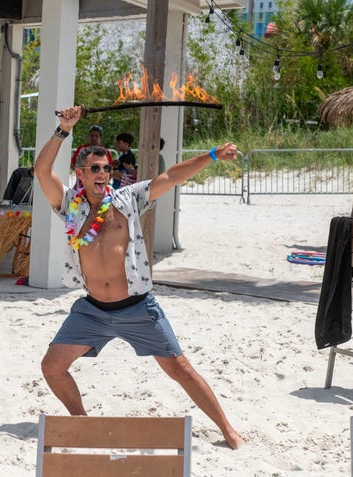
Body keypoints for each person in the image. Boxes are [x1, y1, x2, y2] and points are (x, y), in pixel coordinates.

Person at [34, 106, 245, 450]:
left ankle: (227, 429)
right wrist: (63, 130)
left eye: (108, 168)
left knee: (181, 369)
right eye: (96, 169)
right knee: (52, 367)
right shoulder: (70, 206)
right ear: (81, 174)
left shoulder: (127, 199)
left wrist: (211, 155)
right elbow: (41, 170)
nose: (104, 174)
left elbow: (172, 177)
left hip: (137, 307)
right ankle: (82, 423)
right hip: (93, 311)